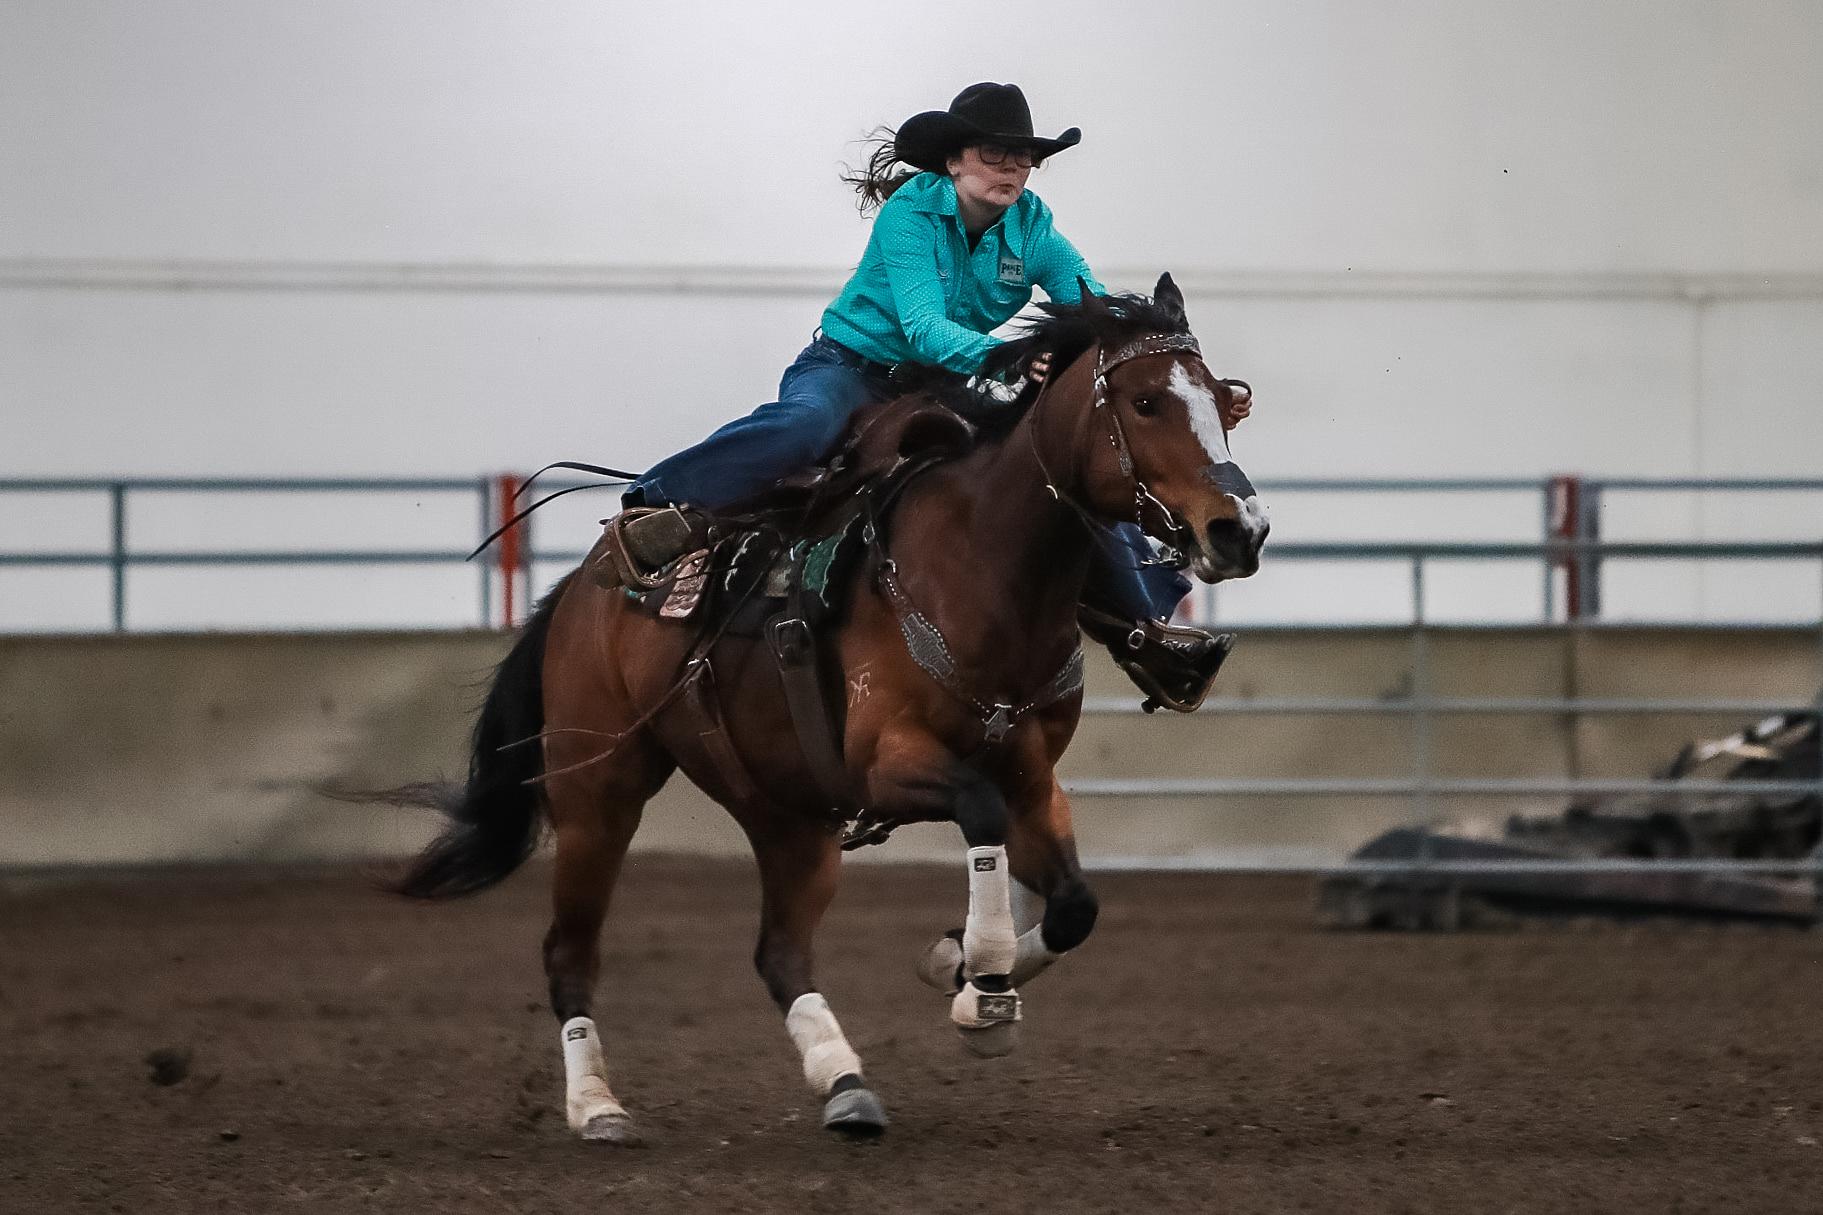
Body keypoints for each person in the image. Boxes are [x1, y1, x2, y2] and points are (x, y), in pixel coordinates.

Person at [615, 82, 1247, 710]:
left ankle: (1145, 629)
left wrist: (1192, 389)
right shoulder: (911, 214)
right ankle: (654, 502)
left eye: (1023, 157)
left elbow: (1093, 311)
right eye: (994, 154)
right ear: (954, 162)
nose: (1011, 169)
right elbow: (923, 327)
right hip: (850, 369)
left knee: (1044, 466)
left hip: (940, 385)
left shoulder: (1035, 229)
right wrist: (1006, 361)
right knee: (805, 425)